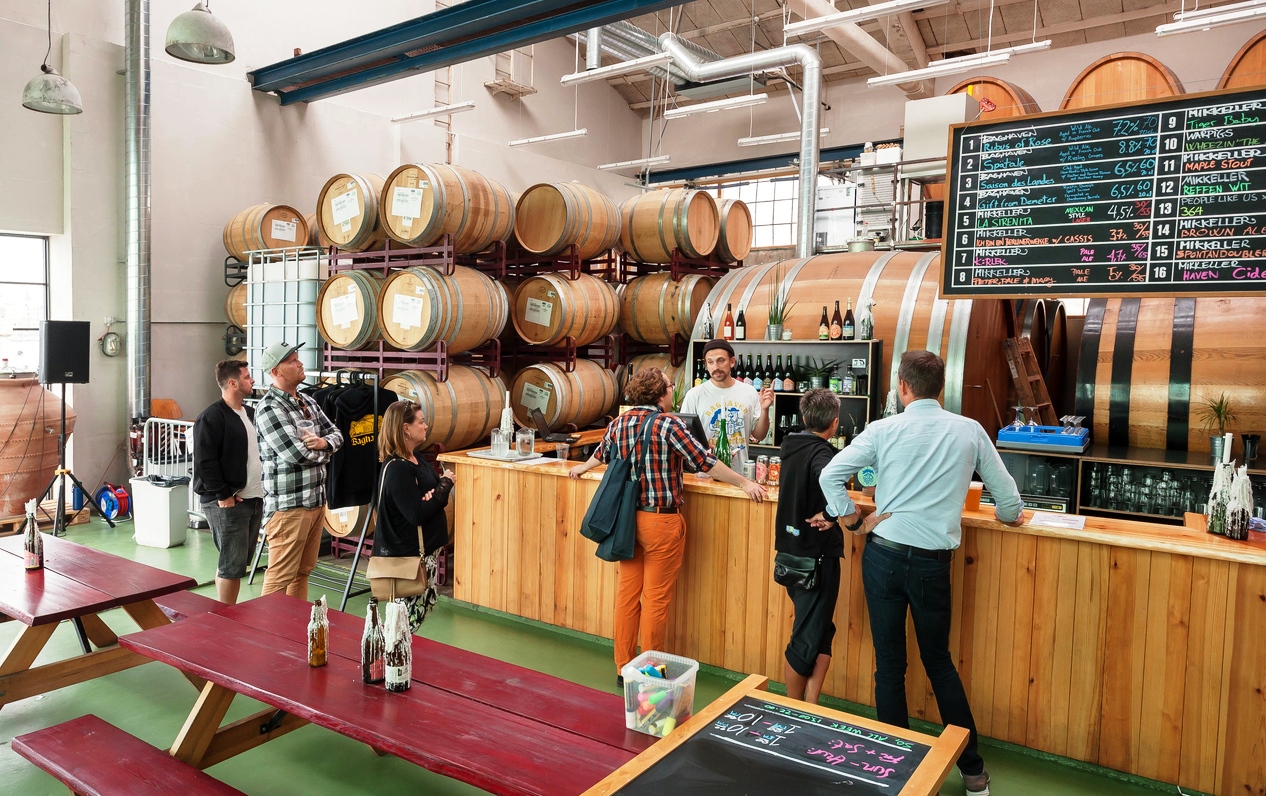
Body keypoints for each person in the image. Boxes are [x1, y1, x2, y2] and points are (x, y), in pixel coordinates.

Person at [817, 350, 1027, 796]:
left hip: (884, 556)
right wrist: (1011, 517)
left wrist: (852, 520)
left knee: (890, 667)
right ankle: (973, 774)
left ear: (903, 387)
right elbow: (1008, 503)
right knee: (939, 664)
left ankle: (897, 774)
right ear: (942, 388)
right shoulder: (969, 431)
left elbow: (830, 477)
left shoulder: (883, 429)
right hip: (934, 564)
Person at [569, 367, 766, 686]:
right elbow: (705, 462)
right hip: (661, 520)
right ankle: (648, 672)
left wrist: (581, 468)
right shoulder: (668, 423)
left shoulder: (619, 422)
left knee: (627, 595)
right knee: (655, 599)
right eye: (670, 385)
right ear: (660, 393)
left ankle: (622, 668)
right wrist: (744, 482)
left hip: (626, 522)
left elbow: (600, 455)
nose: (673, 390)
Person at [775, 388, 888, 704]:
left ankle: (811, 707)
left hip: (790, 553)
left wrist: (830, 511)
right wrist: (837, 516)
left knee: (821, 631)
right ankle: (794, 710)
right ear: (835, 422)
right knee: (806, 641)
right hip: (816, 557)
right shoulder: (823, 454)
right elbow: (829, 478)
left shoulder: (791, 446)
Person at [254, 341, 344, 599]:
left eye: (297, 358)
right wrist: (326, 453)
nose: (300, 363)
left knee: (302, 572)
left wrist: (324, 443)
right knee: (279, 577)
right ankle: (270, 635)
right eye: (292, 361)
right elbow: (297, 454)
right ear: (276, 372)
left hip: (315, 503)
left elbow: (337, 434)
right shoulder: (270, 408)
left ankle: (291, 631)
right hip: (289, 508)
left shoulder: (307, 400)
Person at [373, 400, 455, 631]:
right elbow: (417, 513)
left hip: (425, 556)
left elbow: (436, 497)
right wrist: (445, 484)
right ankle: (391, 663)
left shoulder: (416, 458)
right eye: (421, 421)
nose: (426, 425)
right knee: (403, 622)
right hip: (409, 560)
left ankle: (397, 661)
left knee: (418, 613)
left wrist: (437, 491)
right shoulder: (398, 468)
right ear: (405, 428)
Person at [192, 359, 263, 604]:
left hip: (252, 499)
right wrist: (224, 496)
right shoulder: (212, 417)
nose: (252, 380)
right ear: (232, 383)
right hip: (228, 501)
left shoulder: (250, 413)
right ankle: (226, 619)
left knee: (238, 561)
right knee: (231, 565)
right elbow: (205, 462)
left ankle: (226, 614)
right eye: (246, 377)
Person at [679, 339, 773, 471]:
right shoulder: (694, 395)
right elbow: (685, 438)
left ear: (732, 362)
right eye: (710, 362)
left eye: (720, 360)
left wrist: (765, 410)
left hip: (741, 472)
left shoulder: (749, 391)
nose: (715, 367)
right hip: (706, 473)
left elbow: (759, 435)